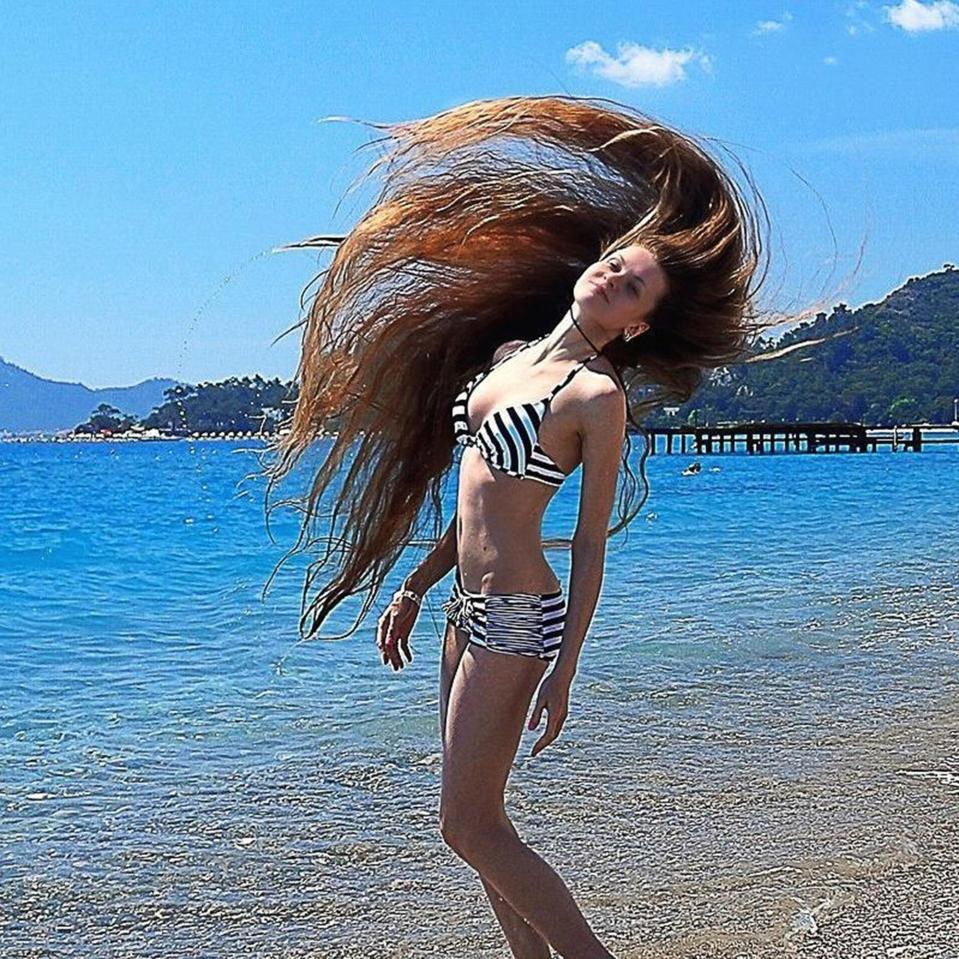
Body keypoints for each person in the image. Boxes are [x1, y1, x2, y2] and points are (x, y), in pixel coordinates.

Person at [267, 95, 768, 959]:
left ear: (637, 321)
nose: (614, 276)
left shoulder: (595, 396)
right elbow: (476, 501)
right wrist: (415, 587)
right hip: (466, 607)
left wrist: (566, 666)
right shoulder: (506, 362)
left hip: (516, 616)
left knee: (467, 825)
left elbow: (588, 541)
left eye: (634, 284)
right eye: (617, 263)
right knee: (478, 826)